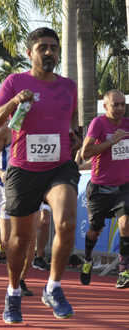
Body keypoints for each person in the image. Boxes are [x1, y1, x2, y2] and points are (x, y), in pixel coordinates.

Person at [0, 27, 81, 323]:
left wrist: (74, 135)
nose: (50, 52)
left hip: (59, 166)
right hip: (23, 170)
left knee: (65, 222)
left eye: (54, 47)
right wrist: (14, 102)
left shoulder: (69, 86)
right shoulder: (15, 81)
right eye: (43, 47)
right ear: (30, 53)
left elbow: (71, 118)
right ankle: (13, 293)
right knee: (19, 241)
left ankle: (53, 286)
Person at [79, 89, 129, 289]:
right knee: (94, 231)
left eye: (122, 104)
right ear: (105, 106)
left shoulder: (127, 124)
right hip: (100, 188)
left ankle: (124, 269)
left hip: (124, 187)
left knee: (125, 224)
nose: (119, 108)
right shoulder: (98, 124)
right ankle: (88, 258)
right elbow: (85, 153)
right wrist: (111, 141)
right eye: (115, 105)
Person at [0, 124, 38, 297]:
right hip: (9, 190)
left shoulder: (43, 126)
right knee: (7, 241)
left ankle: (20, 280)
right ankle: (14, 276)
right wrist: (1, 173)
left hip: (34, 188)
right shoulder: (6, 130)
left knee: (30, 239)